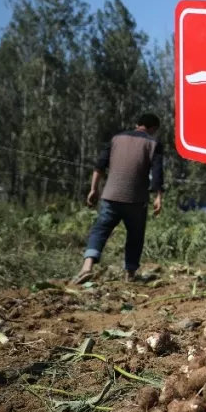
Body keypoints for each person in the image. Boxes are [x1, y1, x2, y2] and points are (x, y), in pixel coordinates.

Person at [72, 113, 164, 284]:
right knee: (135, 235)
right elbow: (157, 173)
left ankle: (87, 266)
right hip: (136, 199)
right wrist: (158, 197)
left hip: (111, 195)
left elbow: (99, 165)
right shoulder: (153, 143)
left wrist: (93, 189)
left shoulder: (116, 139)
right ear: (153, 128)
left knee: (100, 230)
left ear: (137, 123)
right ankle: (130, 273)